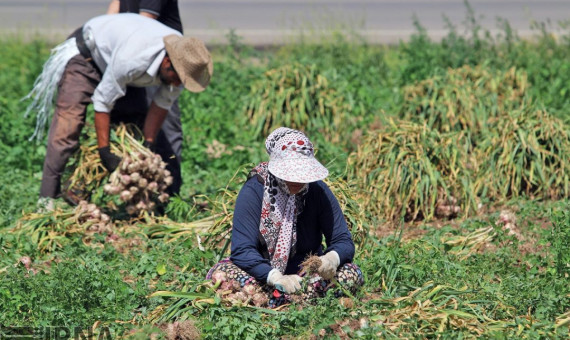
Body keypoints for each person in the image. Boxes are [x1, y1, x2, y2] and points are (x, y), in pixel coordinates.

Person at [26, 13, 213, 211]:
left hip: (117, 61)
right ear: (167, 63)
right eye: (176, 78)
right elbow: (102, 102)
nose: (177, 84)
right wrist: (104, 151)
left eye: (182, 81)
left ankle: (81, 194)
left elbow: (161, 106)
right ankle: (47, 198)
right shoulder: (133, 59)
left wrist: (147, 144)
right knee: (68, 126)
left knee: (130, 122)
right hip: (86, 55)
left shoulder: (183, 64)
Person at [206, 127, 364, 308]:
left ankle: (280, 301)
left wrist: (331, 260)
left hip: (307, 275)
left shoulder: (318, 191)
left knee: (351, 273)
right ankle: (299, 300)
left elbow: (343, 239)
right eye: (291, 173)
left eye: (302, 173)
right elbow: (242, 250)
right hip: (262, 274)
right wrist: (274, 277)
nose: (297, 180)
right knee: (223, 273)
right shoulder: (254, 192)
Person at [106, 0, 185, 195]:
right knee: (132, 124)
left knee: (165, 129)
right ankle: (142, 195)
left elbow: (141, 26)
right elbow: (115, 7)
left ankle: (170, 193)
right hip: (136, 61)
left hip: (163, 65)